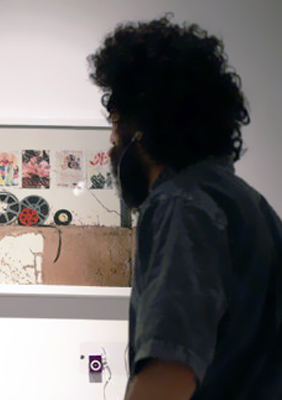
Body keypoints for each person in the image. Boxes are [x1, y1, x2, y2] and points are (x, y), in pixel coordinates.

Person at [88, 14, 282, 400]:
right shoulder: (249, 204)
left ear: (142, 130)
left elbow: (167, 377)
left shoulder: (181, 206)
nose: (111, 142)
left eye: (116, 123)